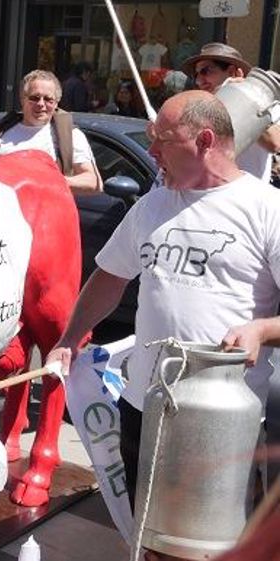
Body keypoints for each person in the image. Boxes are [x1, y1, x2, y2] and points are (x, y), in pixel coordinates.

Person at [45, 91, 280, 517]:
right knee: (146, 528)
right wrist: (70, 337)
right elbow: (110, 277)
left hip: (221, 422)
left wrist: (261, 330)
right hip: (144, 407)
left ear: (205, 141)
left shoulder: (267, 210)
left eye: (163, 141)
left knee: (210, 540)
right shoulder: (154, 204)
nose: (152, 152)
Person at [0, 69, 102, 196]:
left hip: (47, 213)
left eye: (48, 99)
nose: (41, 104)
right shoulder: (0, 134)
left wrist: (45, 181)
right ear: (23, 99)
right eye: (34, 98)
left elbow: (93, 182)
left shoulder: (70, 136)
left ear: (56, 103)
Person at [183, 42, 280, 182]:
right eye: (196, 75)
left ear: (233, 72)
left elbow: (275, 143)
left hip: (247, 199)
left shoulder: (265, 104)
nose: (199, 81)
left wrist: (243, 103)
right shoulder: (199, 109)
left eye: (206, 71)